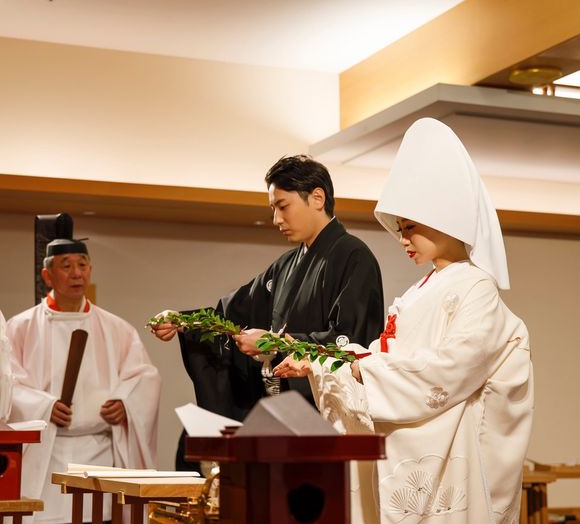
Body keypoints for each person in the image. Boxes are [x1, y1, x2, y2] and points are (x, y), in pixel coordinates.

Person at [274, 119, 534, 523]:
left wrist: (362, 369)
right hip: (407, 435)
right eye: (399, 229)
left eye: (410, 227)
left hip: (451, 449)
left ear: (446, 219)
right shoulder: (417, 292)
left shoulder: (476, 287)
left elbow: (451, 370)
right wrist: (323, 363)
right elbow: (385, 354)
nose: (402, 239)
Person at [151, 154, 384, 464]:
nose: (276, 219)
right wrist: (184, 321)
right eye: (273, 209)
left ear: (317, 198)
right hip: (283, 417)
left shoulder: (354, 257)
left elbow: (351, 343)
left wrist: (274, 344)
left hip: (329, 420)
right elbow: (233, 314)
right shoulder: (285, 266)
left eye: (283, 206)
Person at [7, 238, 162, 523]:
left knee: (99, 516)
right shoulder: (20, 327)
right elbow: (7, 385)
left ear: (90, 270)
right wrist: (43, 406)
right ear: (47, 276)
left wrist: (125, 403)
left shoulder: (117, 328)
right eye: (66, 266)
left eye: (83, 265)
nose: (77, 273)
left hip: (100, 453)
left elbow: (144, 377)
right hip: (44, 455)